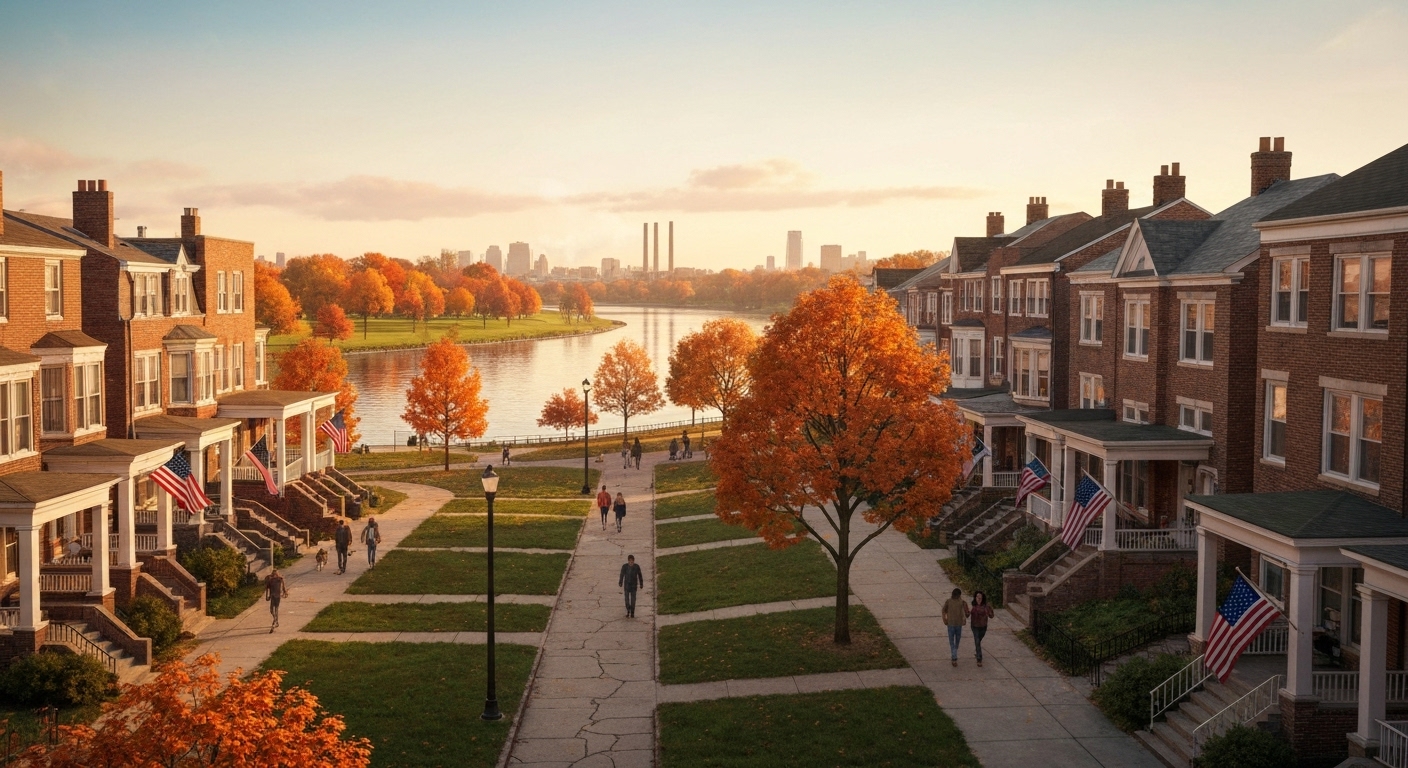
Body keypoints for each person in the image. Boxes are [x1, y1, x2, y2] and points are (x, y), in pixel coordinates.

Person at [942, 588, 970, 667]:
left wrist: (964, 619)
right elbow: (944, 610)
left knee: (956, 641)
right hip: (951, 624)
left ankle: (954, 653)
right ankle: (954, 657)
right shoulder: (949, 602)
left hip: (958, 624)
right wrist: (945, 619)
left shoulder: (961, 602)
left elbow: (965, 612)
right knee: (952, 642)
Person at [970, 590, 996, 667]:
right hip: (974, 626)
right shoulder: (973, 605)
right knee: (977, 640)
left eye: (980, 598)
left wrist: (989, 613)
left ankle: (977, 651)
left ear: (982, 598)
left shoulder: (986, 606)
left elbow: (992, 615)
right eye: (977, 597)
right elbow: (969, 614)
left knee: (979, 640)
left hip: (983, 626)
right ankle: (979, 658)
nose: (978, 599)